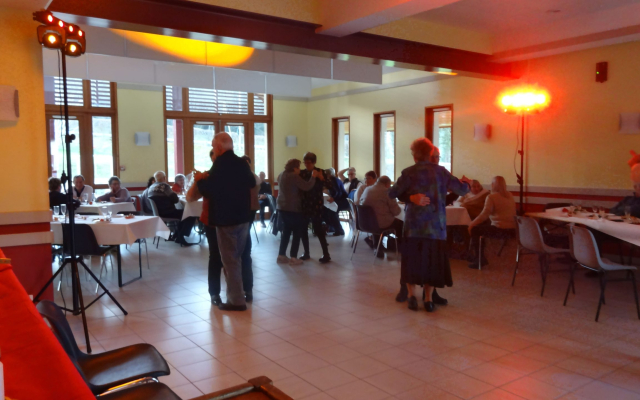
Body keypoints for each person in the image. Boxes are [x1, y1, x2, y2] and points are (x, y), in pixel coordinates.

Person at [389, 138, 471, 312]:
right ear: (430, 154)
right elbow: (462, 190)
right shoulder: (441, 172)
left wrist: (410, 197)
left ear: (414, 155)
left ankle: (411, 296)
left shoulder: (408, 172)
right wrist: (467, 183)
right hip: (435, 228)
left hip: (413, 227)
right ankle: (428, 300)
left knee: (411, 262)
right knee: (432, 263)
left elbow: (392, 192)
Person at [196, 132, 256, 311]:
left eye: (213, 146)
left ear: (219, 148)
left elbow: (209, 191)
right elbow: (252, 182)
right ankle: (244, 293)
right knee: (240, 257)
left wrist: (199, 181)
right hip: (243, 218)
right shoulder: (241, 163)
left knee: (230, 261)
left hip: (225, 220)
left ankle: (236, 301)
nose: (213, 149)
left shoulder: (219, 164)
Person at [187, 149, 227, 306]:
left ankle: (234, 290)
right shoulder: (206, 176)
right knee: (215, 256)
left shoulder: (229, 174)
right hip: (211, 221)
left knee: (230, 257)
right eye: (214, 159)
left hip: (229, 220)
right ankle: (214, 292)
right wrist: (198, 180)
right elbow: (190, 197)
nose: (216, 161)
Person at [467, 176, 517, 269]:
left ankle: (480, 259)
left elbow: (484, 214)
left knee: (475, 230)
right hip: (513, 230)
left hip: (499, 229)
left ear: (493, 185)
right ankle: (480, 257)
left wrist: (472, 224)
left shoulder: (491, 197)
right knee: (482, 226)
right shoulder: (510, 195)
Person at [277, 159, 318, 265]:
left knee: (286, 232)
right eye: (298, 167)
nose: (300, 169)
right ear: (294, 168)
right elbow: (306, 186)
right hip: (293, 208)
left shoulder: (281, 174)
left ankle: (281, 255)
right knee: (296, 232)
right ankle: (293, 257)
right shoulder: (294, 176)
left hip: (281, 206)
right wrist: (313, 177)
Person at [300, 152, 332, 263]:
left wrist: (321, 178)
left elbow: (330, 185)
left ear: (314, 162)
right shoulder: (302, 173)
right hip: (304, 204)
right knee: (303, 229)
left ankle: (326, 254)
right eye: (305, 162)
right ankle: (306, 252)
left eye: (308, 163)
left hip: (316, 204)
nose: (306, 165)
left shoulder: (321, 171)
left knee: (318, 229)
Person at [148, 171, 195, 246]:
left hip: (158, 212)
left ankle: (177, 235)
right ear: (164, 178)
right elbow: (175, 200)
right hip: (167, 212)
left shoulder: (151, 187)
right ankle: (180, 236)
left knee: (185, 213)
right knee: (191, 214)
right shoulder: (164, 186)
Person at [361, 176, 402, 259]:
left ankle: (377, 245)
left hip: (365, 223)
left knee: (377, 219)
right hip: (381, 223)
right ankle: (400, 248)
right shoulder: (387, 192)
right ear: (387, 184)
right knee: (401, 225)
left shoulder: (367, 189)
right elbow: (396, 212)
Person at [240, 155, 261, 302]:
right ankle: (247, 289)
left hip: (249, 209)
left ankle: (245, 289)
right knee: (245, 250)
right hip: (249, 208)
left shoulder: (250, 176)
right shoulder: (252, 176)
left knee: (244, 243)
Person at [323, 168, 349, 236]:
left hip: (343, 201)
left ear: (329, 174)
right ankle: (332, 228)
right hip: (338, 200)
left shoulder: (334, 180)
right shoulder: (331, 180)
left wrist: (333, 198)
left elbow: (339, 192)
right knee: (324, 210)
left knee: (332, 211)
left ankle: (339, 230)